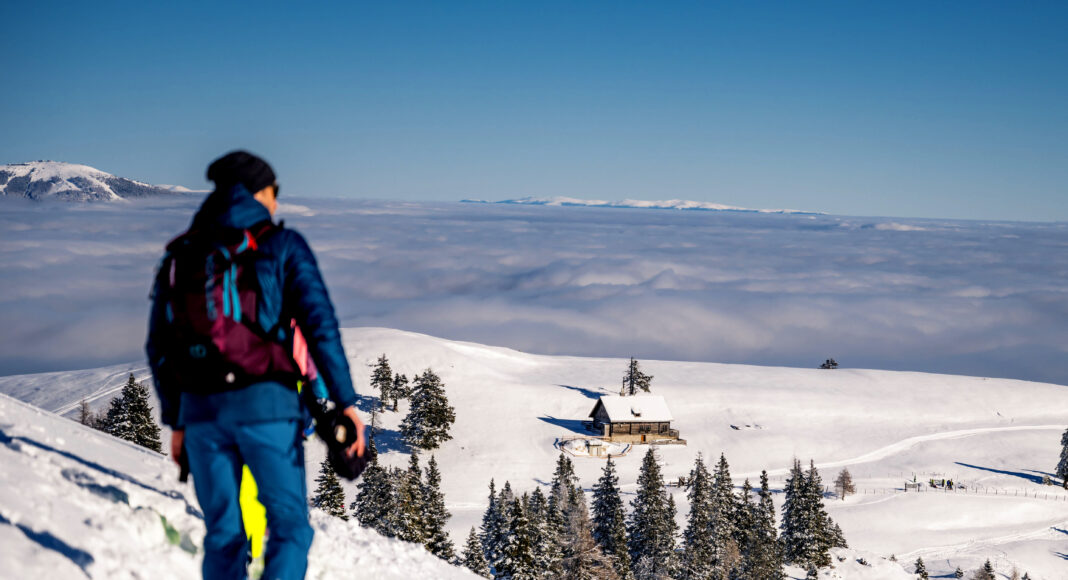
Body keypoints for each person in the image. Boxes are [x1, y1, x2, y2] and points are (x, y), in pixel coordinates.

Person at [146, 150, 365, 579]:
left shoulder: (180, 253)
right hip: (268, 407)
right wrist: (345, 403)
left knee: (224, 535)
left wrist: (177, 420)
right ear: (257, 192)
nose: (277, 201)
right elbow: (320, 326)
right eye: (274, 191)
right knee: (290, 529)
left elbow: (159, 346)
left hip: (202, 412)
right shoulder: (282, 245)